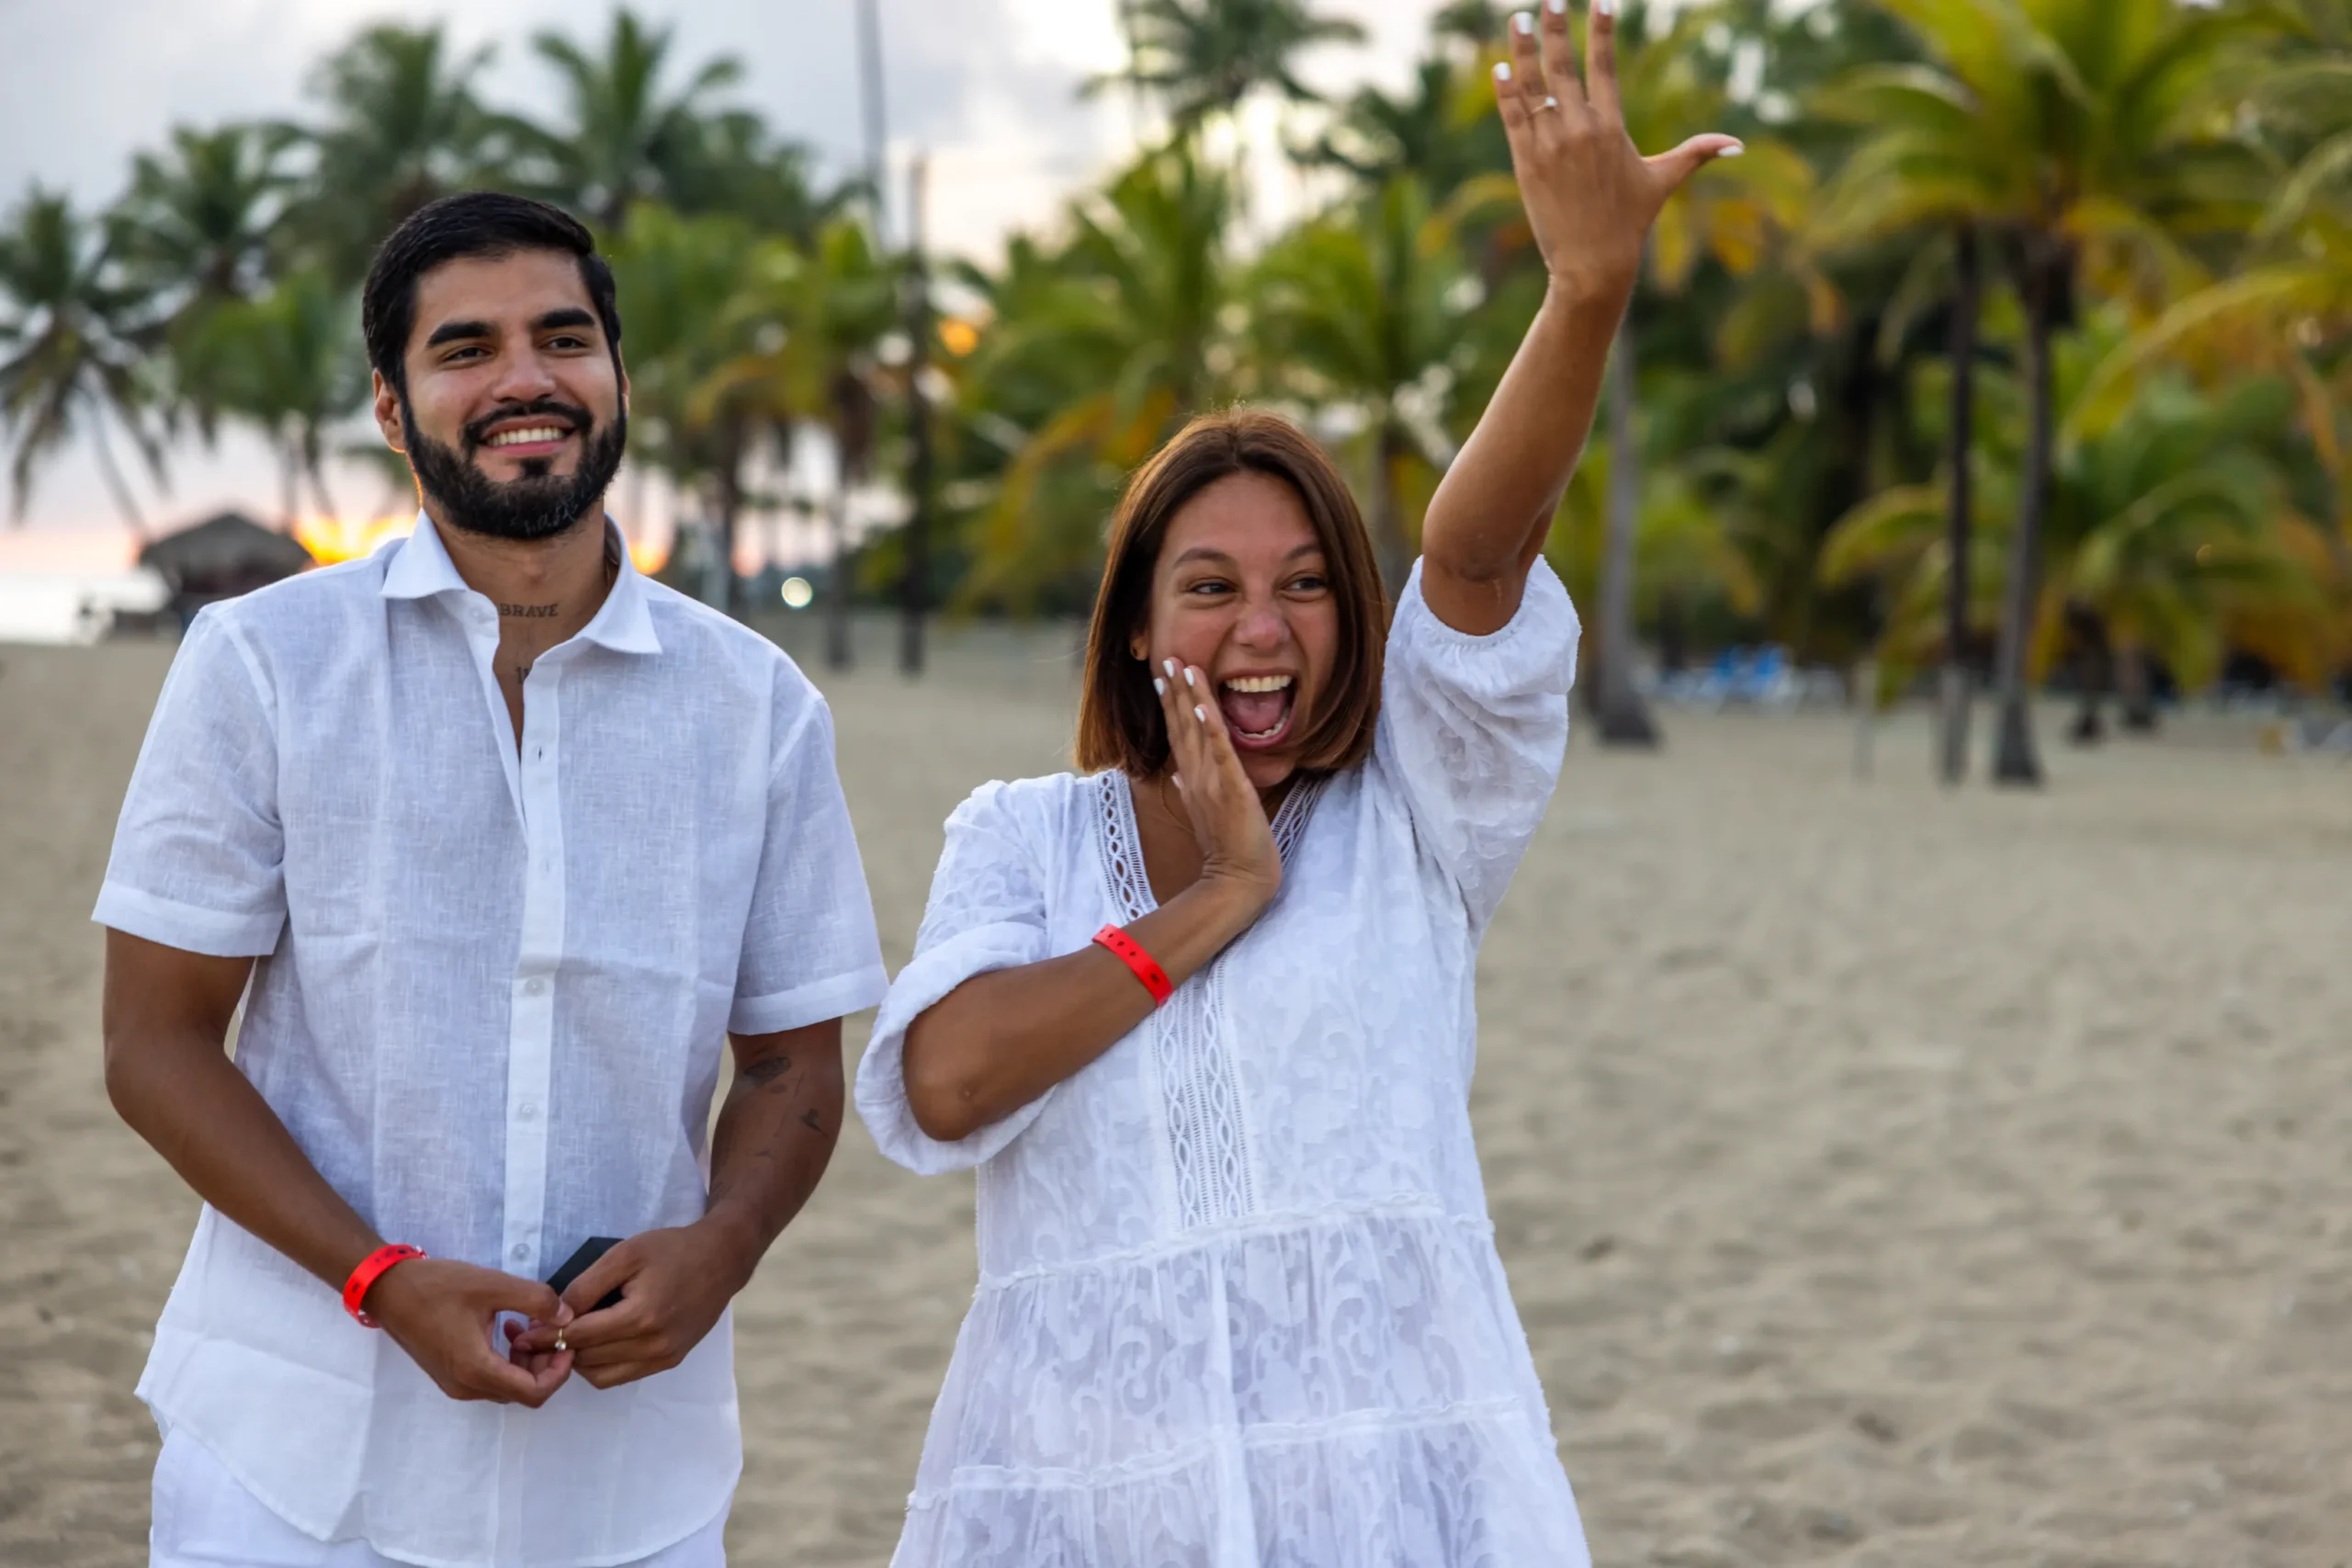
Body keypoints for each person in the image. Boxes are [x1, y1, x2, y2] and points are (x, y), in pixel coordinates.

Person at [854, 8, 1739, 1563]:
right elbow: (949, 1082)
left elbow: (1476, 552)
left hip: (1392, 1495)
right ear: (1138, 626)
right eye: (1210, 587)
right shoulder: (1021, 834)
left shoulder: (1417, 807)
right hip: (1090, 1502)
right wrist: (1217, 900)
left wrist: (1585, 291)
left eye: (1308, 584)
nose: (1261, 629)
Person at [96, 192, 888, 1568]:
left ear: (619, 377)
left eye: (563, 339)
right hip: (295, 1465)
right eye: (465, 349)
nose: (526, 379)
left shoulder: (758, 707)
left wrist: (725, 1246)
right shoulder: (263, 664)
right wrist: (380, 1280)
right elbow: (154, 1043)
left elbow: (790, 1064)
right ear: (392, 408)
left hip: (628, 1483)